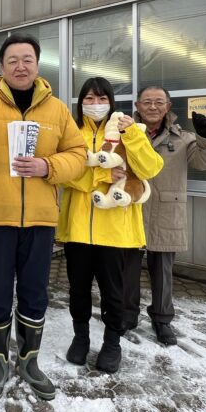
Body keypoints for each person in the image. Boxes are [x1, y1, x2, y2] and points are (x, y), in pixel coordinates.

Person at [0, 34, 87, 404]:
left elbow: (78, 154)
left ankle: (29, 362)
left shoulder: (56, 109)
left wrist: (48, 165)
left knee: (34, 292)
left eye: (27, 59)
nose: (20, 66)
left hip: (40, 219)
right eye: (12, 60)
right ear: (2, 66)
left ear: (38, 65)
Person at [57, 77, 163, 374]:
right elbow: (64, 174)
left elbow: (150, 168)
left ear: (111, 102)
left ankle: (112, 343)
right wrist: (102, 176)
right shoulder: (72, 133)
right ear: (81, 103)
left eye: (101, 98)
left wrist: (132, 137)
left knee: (114, 292)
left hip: (116, 231)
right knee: (77, 289)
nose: (95, 104)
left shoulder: (129, 130)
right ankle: (81, 337)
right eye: (89, 99)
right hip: (78, 228)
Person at [125, 86, 206, 345]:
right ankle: (126, 314)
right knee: (127, 269)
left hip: (165, 211)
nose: (153, 107)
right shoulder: (125, 133)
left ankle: (162, 320)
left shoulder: (182, 138)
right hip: (130, 209)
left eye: (159, 102)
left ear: (168, 106)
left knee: (163, 272)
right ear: (137, 105)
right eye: (147, 102)